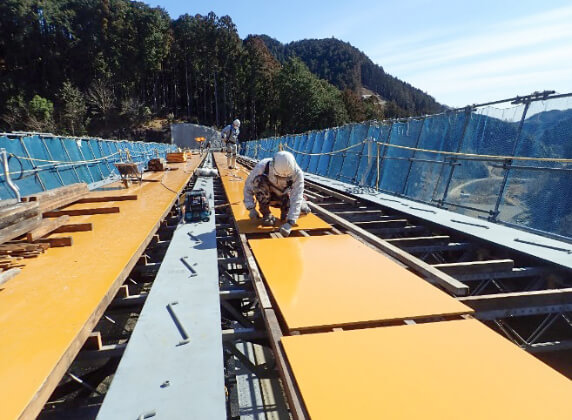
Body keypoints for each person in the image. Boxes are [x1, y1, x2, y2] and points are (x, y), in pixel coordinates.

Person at [243, 151, 311, 237]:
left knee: (300, 209)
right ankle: (266, 214)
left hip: (284, 196)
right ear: (272, 165)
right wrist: (251, 208)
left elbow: (296, 196)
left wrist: (290, 222)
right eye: (279, 176)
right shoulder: (262, 166)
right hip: (268, 195)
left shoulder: (297, 173)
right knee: (259, 181)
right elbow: (248, 187)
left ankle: (294, 208)